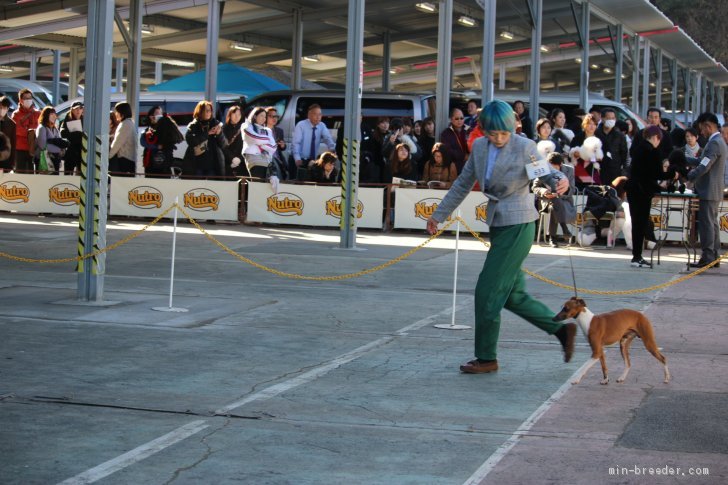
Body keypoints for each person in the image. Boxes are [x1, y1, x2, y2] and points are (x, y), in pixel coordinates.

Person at [426, 99, 576, 374]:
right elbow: (462, 183)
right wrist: (439, 214)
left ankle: (486, 357)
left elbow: (543, 175)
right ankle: (561, 331)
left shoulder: (523, 146)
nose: (498, 138)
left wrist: (560, 181)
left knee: (487, 292)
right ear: (483, 130)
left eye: (504, 133)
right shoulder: (480, 147)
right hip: (498, 224)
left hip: (519, 225)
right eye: (492, 133)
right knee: (512, 296)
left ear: (513, 127)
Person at [626, 125, 675, 268]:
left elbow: (642, 173)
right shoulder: (652, 151)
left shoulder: (638, 150)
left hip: (633, 189)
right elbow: (657, 174)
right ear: (655, 138)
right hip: (642, 192)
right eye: (659, 139)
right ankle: (637, 257)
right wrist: (672, 174)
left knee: (637, 223)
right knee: (640, 223)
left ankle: (636, 256)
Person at [685, 112, 727, 268]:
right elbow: (702, 161)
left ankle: (708, 256)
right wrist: (683, 159)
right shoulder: (717, 141)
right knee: (712, 223)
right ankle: (714, 255)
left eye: (702, 128)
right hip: (713, 190)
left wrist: (689, 175)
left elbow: (704, 166)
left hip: (709, 190)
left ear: (708, 126)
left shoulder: (714, 143)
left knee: (706, 224)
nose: (701, 132)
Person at [532, 152, 576, 247]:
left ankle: (553, 238)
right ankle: (564, 228)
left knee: (555, 203)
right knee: (553, 205)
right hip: (547, 201)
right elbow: (534, 187)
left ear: (560, 165)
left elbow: (572, 189)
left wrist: (562, 191)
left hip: (564, 200)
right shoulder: (542, 169)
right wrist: (544, 191)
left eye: (554, 168)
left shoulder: (569, 170)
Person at [291, 103, 335, 179]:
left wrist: (332, 149)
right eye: (315, 114)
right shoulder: (301, 125)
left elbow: (328, 138)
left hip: (312, 161)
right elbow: (296, 143)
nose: (318, 117)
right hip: (299, 159)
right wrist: (297, 159)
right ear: (309, 115)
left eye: (320, 114)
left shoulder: (322, 125)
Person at [184, 100, 225, 178]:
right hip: (196, 164)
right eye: (206, 111)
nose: (208, 113)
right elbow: (191, 141)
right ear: (200, 111)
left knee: (211, 188)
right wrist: (207, 134)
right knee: (198, 188)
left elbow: (223, 144)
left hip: (213, 164)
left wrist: (219, 134)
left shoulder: (215, 123)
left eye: (210, 111)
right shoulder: (193, 125)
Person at [140, 105, 182, 177]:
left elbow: (175, 138)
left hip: (164, 164)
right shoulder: (148, 130)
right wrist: (156, 146)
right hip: (151, 164)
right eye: (156, 113)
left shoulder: (168, 126)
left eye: (160, 113)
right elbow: (143, 142)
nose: (159, 115)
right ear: (151, 116)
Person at [596, 108, 628, 187]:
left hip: (615, 170)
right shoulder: (596, 133)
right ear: (602, 118)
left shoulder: (619, 135)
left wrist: (624, 171)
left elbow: (624, 153)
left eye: (613, 118)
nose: (611, 120)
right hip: (599, 169)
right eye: (608, 118)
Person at [241, 106, 276, 179]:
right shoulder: (246, 126)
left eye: (265, 116)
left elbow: (273, 147)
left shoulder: (268, 130)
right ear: (254, 116)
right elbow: (254, 138)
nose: (264, 118)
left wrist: (261, 143)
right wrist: (266, 140)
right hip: (254, 160)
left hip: (267, 161)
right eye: (261, 116)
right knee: (257, 184)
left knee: (266, 186)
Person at [11, 88, 40, 173]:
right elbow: (17, 130)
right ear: (21, 100)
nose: (28, 100)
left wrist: (28, 129)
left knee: (32, 175)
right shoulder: (16, 114)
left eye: (30, 98)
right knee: (20, 175)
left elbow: (40, 129)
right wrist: (31, 131)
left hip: (34, 149)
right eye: (26, 98)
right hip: (20, 149)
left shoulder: (38, 113)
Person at [570, 113, 602, 188]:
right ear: (584, 125)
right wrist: (575, 154)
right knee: (581, 192)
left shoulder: (601, 138)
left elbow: (605, 154)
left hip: (595, 170)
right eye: (589, 124)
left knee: (595, 191)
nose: (592, 126)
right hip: (580, 170)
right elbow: (571, 154)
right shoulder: (577, 138)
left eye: (594, 124)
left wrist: (599, 158)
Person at [35, 106, 68, 175]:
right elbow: (42, 145)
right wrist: (59, 149)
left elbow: (59, 140)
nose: (54, 116)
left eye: (54, 114)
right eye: (51, 114)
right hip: (44, 161)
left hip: (55, 160)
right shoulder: (42, 128)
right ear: (46, 115)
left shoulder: (55, 128)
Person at [439, 107, 469, 173]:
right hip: (455, 168)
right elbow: (447, 151)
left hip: (469, 166)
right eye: (456, 118)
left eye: (461, 118)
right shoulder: (446, 133)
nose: (459, 120)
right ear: (451, 119)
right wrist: (463, 156)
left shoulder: (469, 130)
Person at [220, 105, 247, 178]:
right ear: (230, 114)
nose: (237, 116)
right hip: (227, 163)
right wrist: (232, 158)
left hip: (241, 164)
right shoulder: (223, 129)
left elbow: (246, 146)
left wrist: (240, 159)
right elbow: (222, 146)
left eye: (239, 114)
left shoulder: (244, 129)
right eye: (234, 114)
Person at [59, 101, 84, 175]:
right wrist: (75, 134)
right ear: (72, 110)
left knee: (80, 173)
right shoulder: (67, 119)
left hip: (81, 151)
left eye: (80, 108)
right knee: (68, 173)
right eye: (76, 109)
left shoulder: (85, 120)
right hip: (70, 151)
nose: (78, 111)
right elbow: (63, 133)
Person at [0, 96, 16, 173]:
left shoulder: (12, 124)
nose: (1, 109)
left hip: (5, 158)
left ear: (7, 108)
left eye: (4, 107)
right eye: (0, 107)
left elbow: (13, 144)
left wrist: (12, 162)